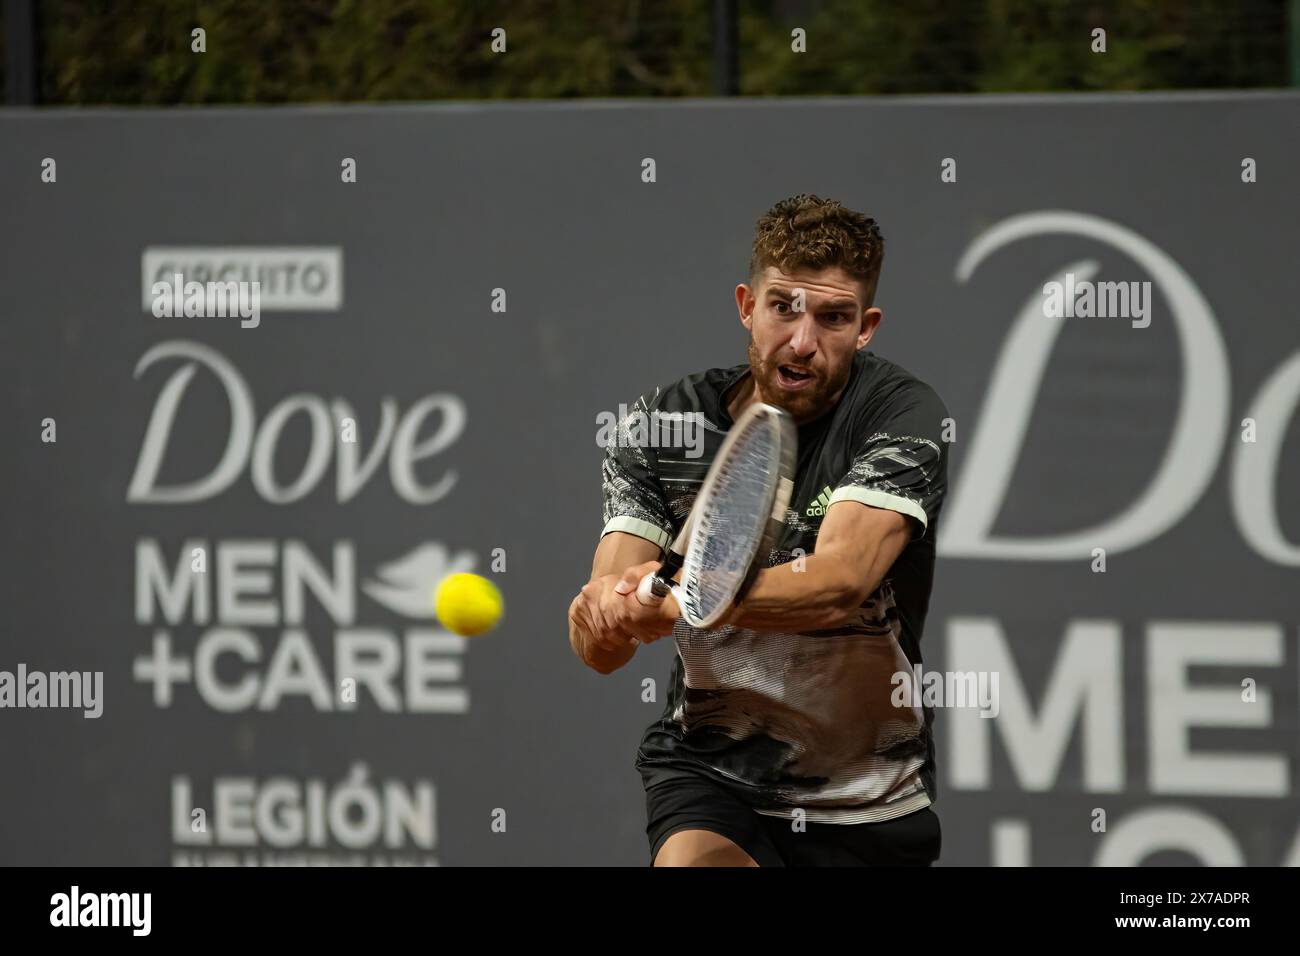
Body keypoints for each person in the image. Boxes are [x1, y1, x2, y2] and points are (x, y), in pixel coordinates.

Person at [568, 194, 949, 867]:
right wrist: (605, 613)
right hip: (711, 774)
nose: (803, 341)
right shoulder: (665, 423)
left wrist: (692, 595)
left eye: (833, 318)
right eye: (784, 308)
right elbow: (602, 648)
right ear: (747, 305)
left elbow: (837, 585)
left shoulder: (900, 415)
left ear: (867, 327)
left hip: (870, 797)